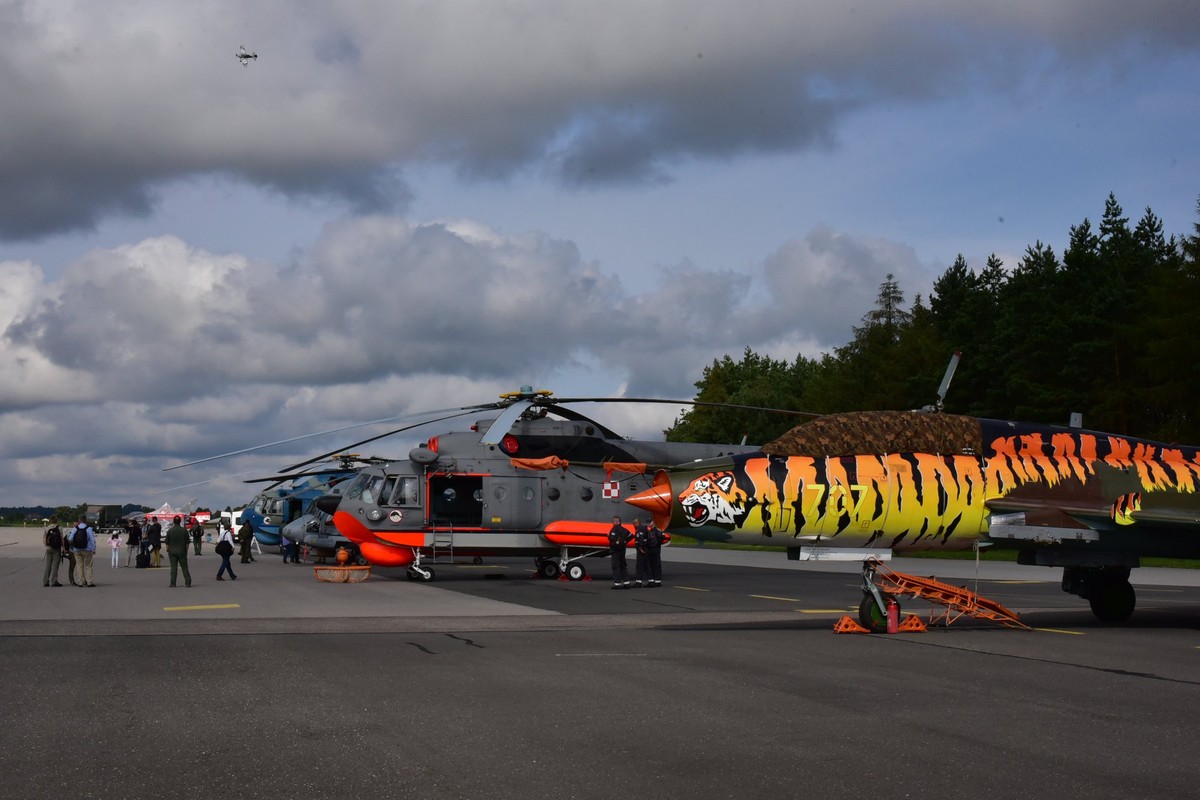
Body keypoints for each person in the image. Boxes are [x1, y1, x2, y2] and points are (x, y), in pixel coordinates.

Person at [69, 515, 97, 588]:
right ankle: (89, 582)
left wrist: (74, 546)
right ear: (86, 520)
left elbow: (70, 539)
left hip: (77, 550)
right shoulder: (89, 529)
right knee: (88, 565)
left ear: (79, 520)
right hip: (87, 549)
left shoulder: (75, 528)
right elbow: (92, 540)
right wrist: (93, 549)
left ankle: (81, 582)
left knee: (79, 565)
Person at [164, 515, 192, 588]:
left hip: (172, 552)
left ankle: (173, 583)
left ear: (173, 522)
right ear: (180, 521)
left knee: (173, 568)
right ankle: (187, 582)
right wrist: (185, 551)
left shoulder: (170, 531)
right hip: (182, 551)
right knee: (184, 567)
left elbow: (167, 543)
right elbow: (187, 543)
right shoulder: (184, 530)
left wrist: (168, 550)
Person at [607, 515, 631, 589]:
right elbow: (630, 535)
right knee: (623, 566)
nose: (612, 522)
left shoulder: (614, 529)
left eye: (613, 521)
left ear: (617, 522)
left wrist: (608, 536)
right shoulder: (624, 529)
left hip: (615, 550)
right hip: (622, 550)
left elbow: (612, 538)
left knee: (616, 567)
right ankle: (626, 582)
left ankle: (617, 583)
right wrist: (624, 542)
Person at [42, 515, 64, 587]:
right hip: (56, 548)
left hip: (49, 548)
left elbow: (44, 539)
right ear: (56, 520)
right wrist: (64, 548)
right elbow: (62, 539)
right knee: (55, 565)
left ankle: (45, 581)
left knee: (48, 565)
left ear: (50, 520)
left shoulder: (47, 528)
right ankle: (54, 581)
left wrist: (47, 546)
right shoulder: (59, 527)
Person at [645, 519, 665, 587]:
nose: (648, 523)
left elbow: (660, 539)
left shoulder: (657, 531)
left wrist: (653, 545)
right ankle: (654, 580)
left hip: (655, 551)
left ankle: (657, 581)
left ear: (653, 522)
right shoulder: (651, 531)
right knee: (651, 565)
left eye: (649, 522)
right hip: (652, 550)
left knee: (656, 565)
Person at [633, 516, 651, 588]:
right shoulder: (644, 528)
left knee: (640, 565)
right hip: (646, 548)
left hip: (642, 549)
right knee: (647, 565)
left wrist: (641, 547)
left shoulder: (640, 529)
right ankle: (650, 580)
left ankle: (638, 581)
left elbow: (641, 538)